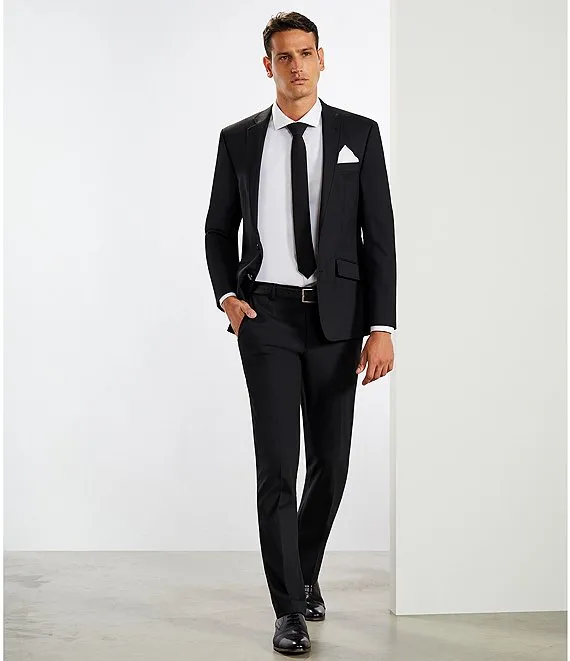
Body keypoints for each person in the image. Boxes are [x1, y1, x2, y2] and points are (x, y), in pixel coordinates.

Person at [204, 10, 396, 655]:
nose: (296, 66)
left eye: (305, 53)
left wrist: (382, 325)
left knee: (332, 464)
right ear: (268, 66)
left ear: (321, 58)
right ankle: (288, 609)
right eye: (283, 56)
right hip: (267, 320)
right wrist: (229, 297)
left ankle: (303, 569)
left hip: (338, 322)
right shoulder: (238, 140)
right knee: (277, 468)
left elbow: (380, 238)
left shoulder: (358, 135)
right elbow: (217, 228)